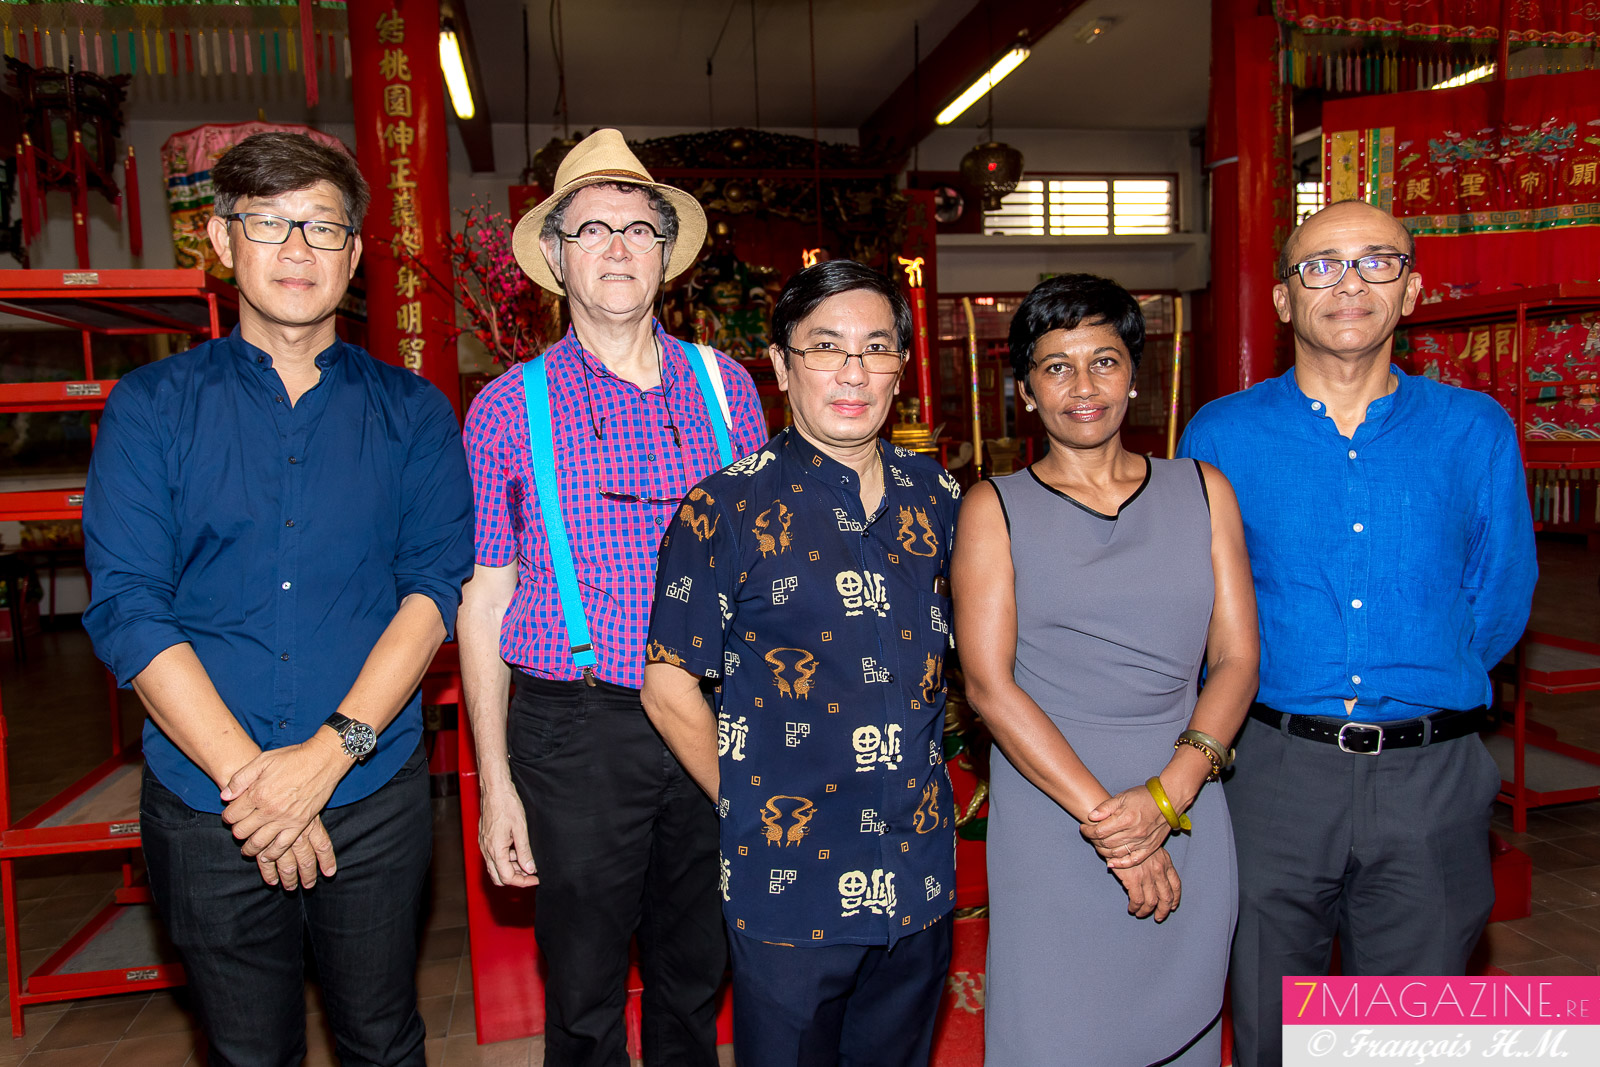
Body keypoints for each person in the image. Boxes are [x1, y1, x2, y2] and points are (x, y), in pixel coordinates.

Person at [82, 132, 472, 1066]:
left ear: (354, 252)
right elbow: (130, 605)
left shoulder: (413, 412)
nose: (297, 248)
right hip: (208, 801)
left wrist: (326, 759)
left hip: (370, 793)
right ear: (222, 240)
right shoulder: (150, 407)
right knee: (247, 1050)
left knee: (382, 1039)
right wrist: (256, 784)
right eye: (268, 222)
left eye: (322, 226)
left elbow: (431, 593)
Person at [1179, 200, 1538, 1066]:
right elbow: (1198, 600)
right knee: (1270, 1023)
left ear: (1410, 291)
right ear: (1282, 298)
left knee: (1407, 1037)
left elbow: (1500, 594)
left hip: (1429, 776)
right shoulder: (1222, 432)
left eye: (1377, 262)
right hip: (1272, 772)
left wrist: (1421, 677)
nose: (1349, 284)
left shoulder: (1474, 428)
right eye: (1321, 265)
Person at [458, 128, 767, 1067]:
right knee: (584, 988)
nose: (618, 248)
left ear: (667, 253)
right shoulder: (507, 406)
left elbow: (765, 572)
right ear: (556, 258)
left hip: (714, 711)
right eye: (590, 229)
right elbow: (485, 598)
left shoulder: (729, 386)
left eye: (639, 228)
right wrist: (495, 784)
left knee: (698, 969)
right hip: (578, 727)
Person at [641, 260, 961, 1067]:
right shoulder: (725, 506)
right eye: (825, 347)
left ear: (900, 369)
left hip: (918, 870)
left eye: (876, 348)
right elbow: (668, 683)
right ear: (782, 367)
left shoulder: (941, 495)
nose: (853, 372)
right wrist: (745, 802)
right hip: (789, 880)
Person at [952, 273, 1258, 1066]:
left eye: (1104, 361)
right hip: (1055, 808)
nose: (1083, 386)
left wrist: (1168, 795)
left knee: (1186, 1023)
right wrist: (1120, 830)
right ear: (1027, 391)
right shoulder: (993, 507)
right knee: (1056, 1029)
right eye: (1057, 367)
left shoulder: (1203, 490)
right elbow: (988, 687)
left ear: (1133, 376)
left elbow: (1236, 658)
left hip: (1186, 793)